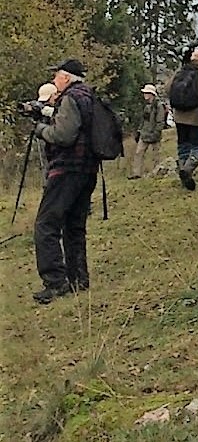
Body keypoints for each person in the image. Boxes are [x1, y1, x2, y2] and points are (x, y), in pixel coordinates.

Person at [32, 59, 99, 304]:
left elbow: (63, 135)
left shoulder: (71, 97)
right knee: (74, 225)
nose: (55, 81)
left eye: (58, 76)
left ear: (67, 77)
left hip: (67, 169)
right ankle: (78, 278)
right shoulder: (89, 97)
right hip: (88, 169)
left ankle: (55, 282)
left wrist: (41, 130)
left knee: (46, 224)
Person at [168, 46, 198, 191]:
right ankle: (187, 170)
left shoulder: (180, 72)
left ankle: (183, 173)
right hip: (196, 118)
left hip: (178, 117)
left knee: (183, 146)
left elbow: (167, 88)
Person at [129, 83, 166, 179]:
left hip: (154, 134)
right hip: (145, 134)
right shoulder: (147, 106)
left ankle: (156, 173)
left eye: (146, 93)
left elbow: (160, 121)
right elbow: (144, 120)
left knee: (156, 155)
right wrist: (139, 131)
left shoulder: (158, 106)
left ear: (151, 94)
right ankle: (136, 173)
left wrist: (156, 133)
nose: (144, 94)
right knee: (138, 153)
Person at [35, 83, 58, 181]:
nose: (47, 103)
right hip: (49, 152)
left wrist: (52, 112)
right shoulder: (44, 114)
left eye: (49, 99)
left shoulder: (63, 110)